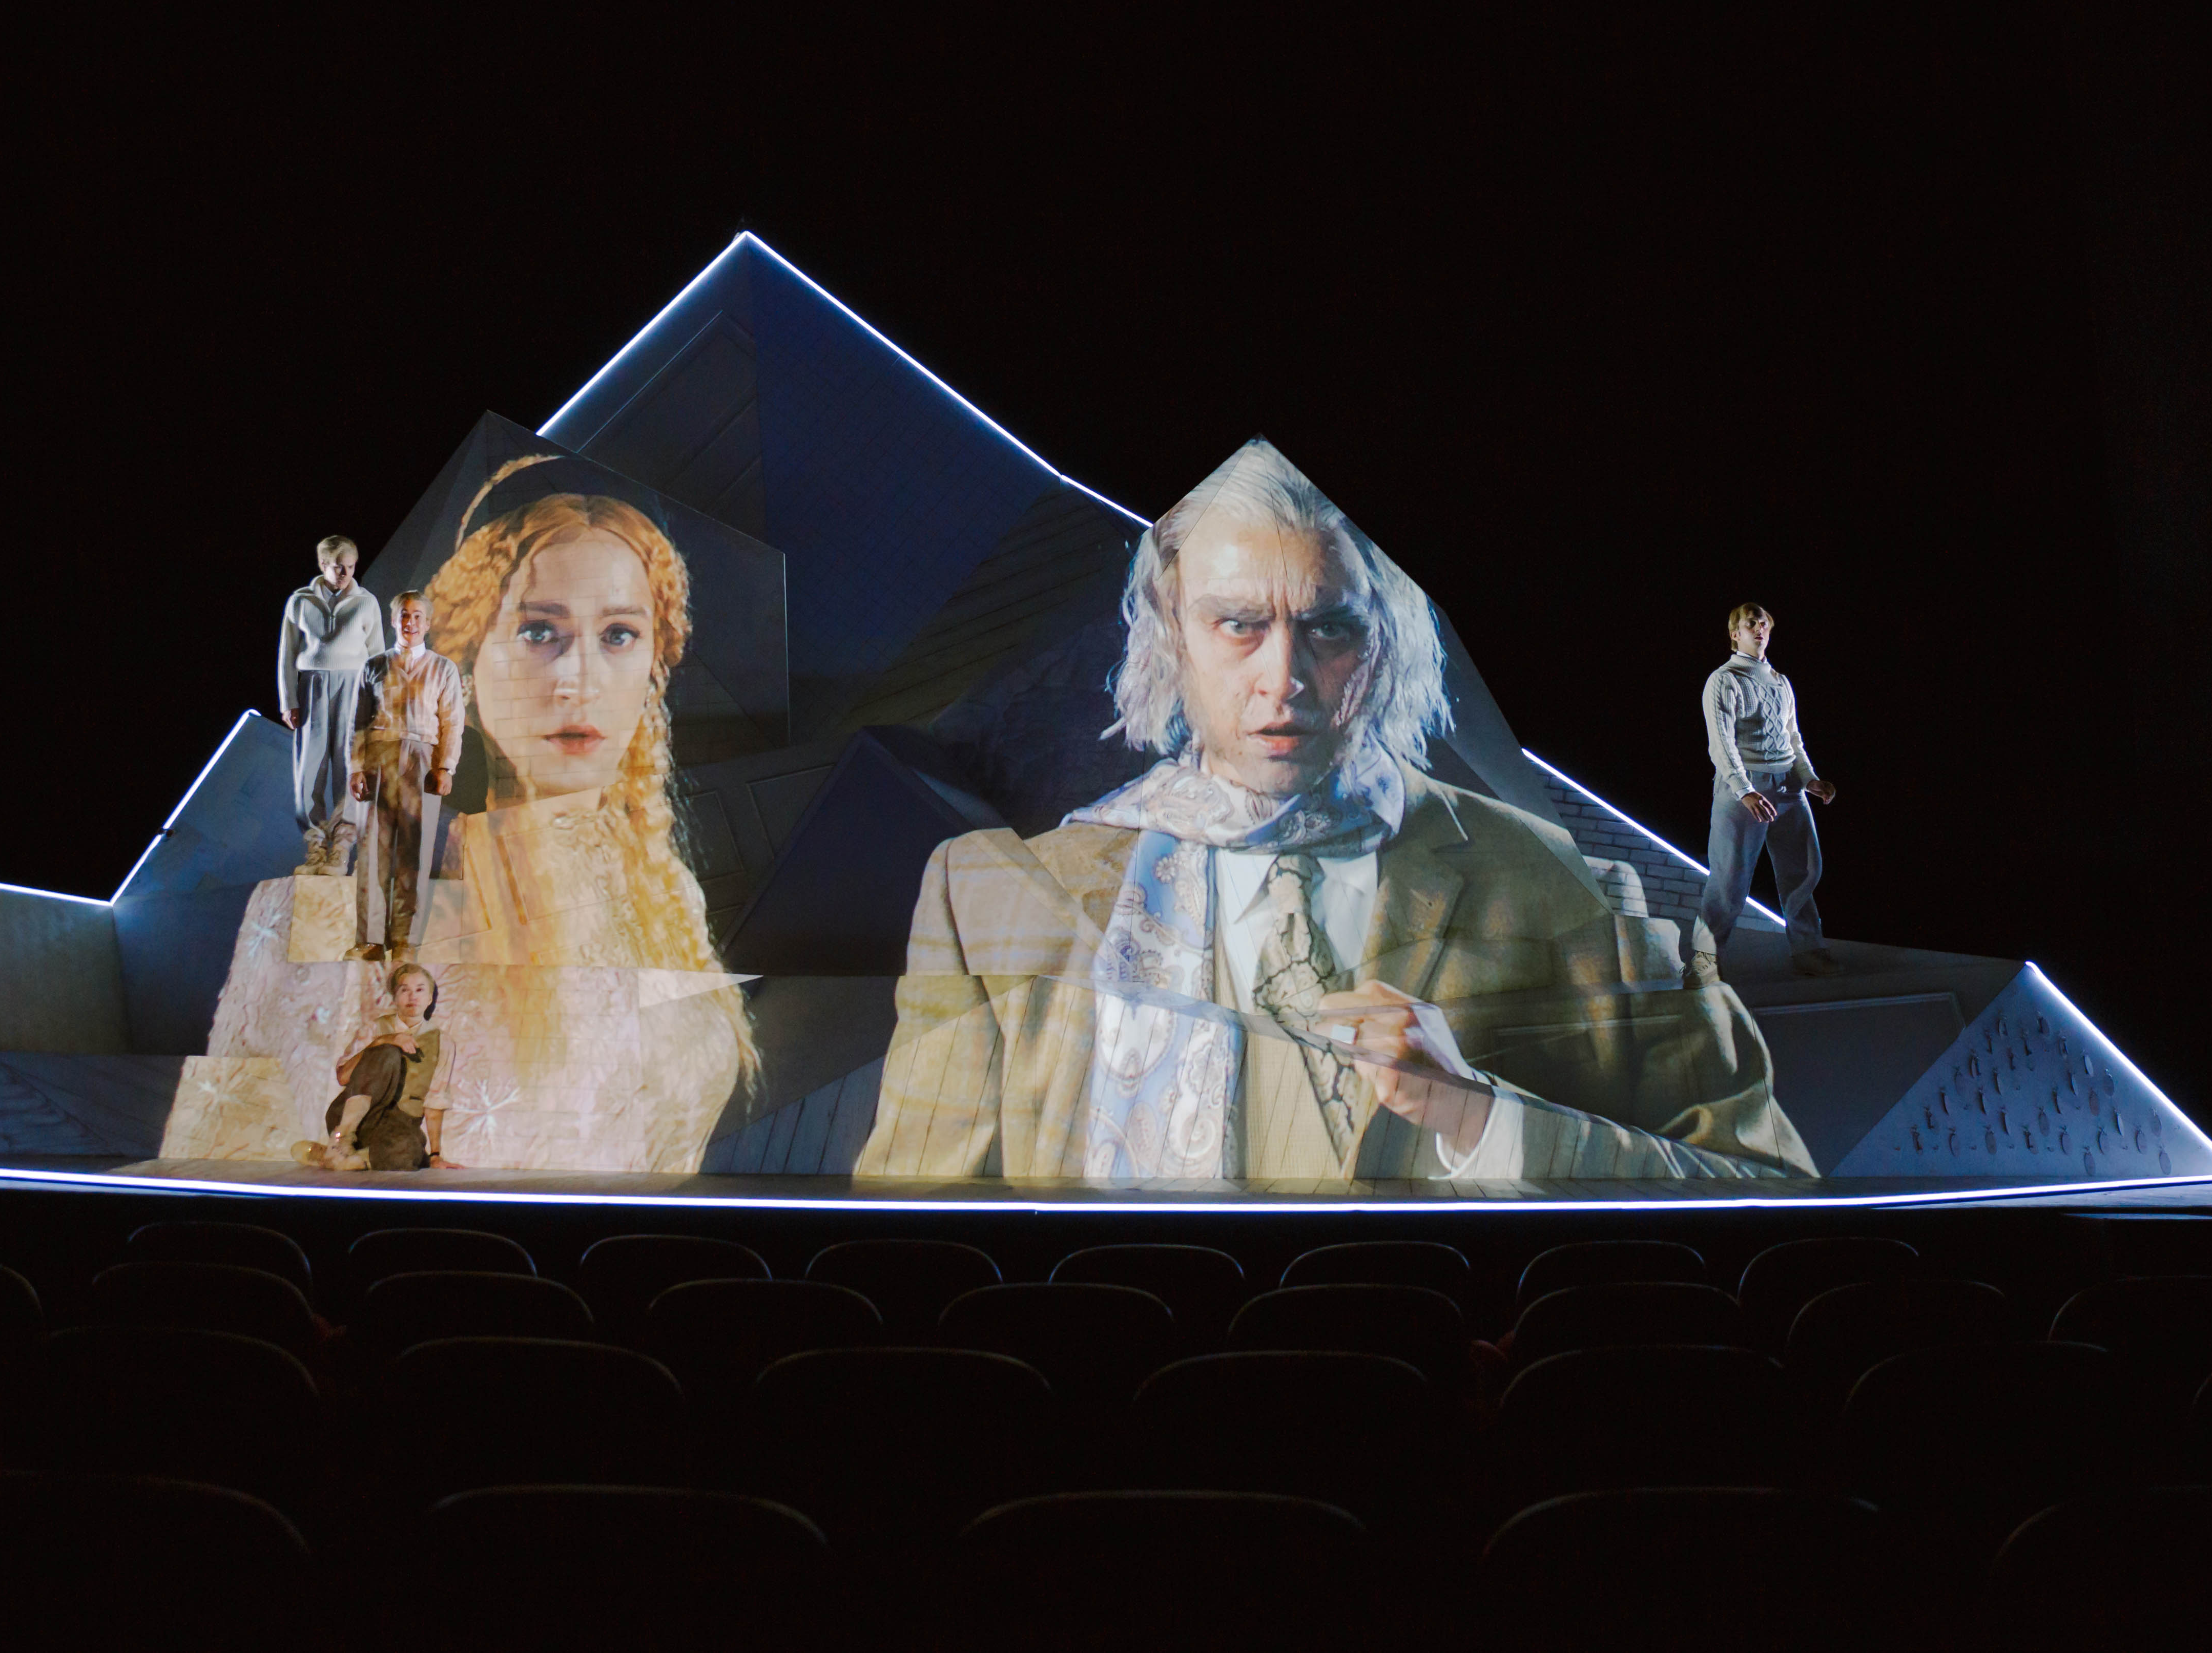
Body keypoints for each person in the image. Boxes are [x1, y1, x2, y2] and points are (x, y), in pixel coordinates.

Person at [858, 440, 1815, 1184]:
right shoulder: (993, 903)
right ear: (1171, 634)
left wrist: (1484, 1119)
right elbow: (912, 1244)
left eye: (1329, 628)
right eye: (1238, 625)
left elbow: (1766, 1189)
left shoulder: (1573, 894)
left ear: (1386, 642)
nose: (1284, 680)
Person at [412, 454, 759, 1173]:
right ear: (466, 658)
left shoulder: (667, 891)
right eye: (540, 632)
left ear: (653, 664)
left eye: (618, 635)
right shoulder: (420, 898)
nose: (580, 681)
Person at [1692, 603, 1842, 980]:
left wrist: (1810, 779)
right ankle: (1705, 959)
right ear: (1735, 634)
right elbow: (1721, 744)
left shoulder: (1781, 681)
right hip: (1743, 788)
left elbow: (1793, 737)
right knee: (1729, 877)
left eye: (1764, 624)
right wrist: (1743, 790)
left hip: (1788, 786)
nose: (1759, 629)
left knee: (1803, 870)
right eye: (1750, 624)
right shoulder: (1724, 680)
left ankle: (1808, 949)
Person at [345, 589, 463, 962]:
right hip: (379, 757)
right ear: (394, 621)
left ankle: (404, 940)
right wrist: (356, 767)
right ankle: (370, 939)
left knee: (416, 851)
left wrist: (445, 766)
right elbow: (357, 723)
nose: (410, 623)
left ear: (427, 624)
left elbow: (452, 721)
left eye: (417, 617)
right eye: (404, 616)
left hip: (422, 759)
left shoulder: (443, 668)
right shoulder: (374, 665)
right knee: (373, 850)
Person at [278, 535, 386, 875]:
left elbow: (378, 657)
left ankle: (341, 846)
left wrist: (379, 703)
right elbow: (287, 654)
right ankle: (315, 844)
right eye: (338, 567)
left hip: (354, 687)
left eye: (351, 567)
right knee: (309, 768)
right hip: (313, 685)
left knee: (349, 764)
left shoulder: (366, 602)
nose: (345, 573)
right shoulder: (300, 601)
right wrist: (289, 700)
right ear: (323, 565)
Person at [296, 964, 443, 1171]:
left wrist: (435, 1155)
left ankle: (339, 1158)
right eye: (405, 990)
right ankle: (342, 1141)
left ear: (430, 999)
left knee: (408, 1151)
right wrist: (381, 1041)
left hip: (395, 1125)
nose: (413, 997)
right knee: (388, 1053)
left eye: (420, 990)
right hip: (353, 1119)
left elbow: (437, 1099)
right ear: (395, 998)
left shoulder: (442, 1042)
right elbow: (343, 1077)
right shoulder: (375, 1029)